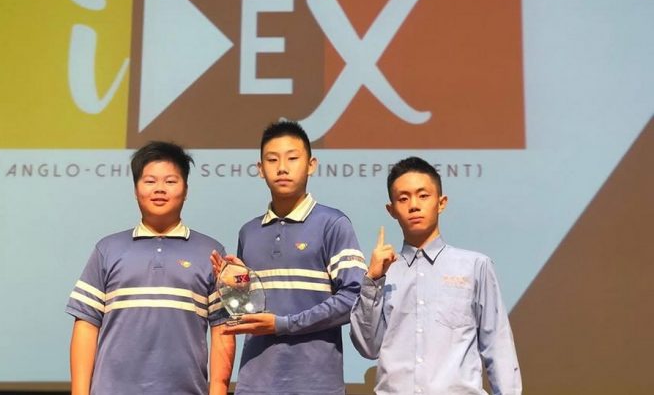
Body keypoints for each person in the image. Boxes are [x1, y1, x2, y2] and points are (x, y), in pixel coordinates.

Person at [65, 141, 235, 395]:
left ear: (186, 190)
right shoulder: (107, 249)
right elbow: (86, 325)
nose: (159, 189)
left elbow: (222, 329)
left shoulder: (210, 252)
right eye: (150, 181)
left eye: (170, 181)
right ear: (136, 189)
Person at [211, 120, 367, 394]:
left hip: (316, 385)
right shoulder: (249, 232)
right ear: (260, 169)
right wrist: (236, 289)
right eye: (272, 160)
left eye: (292, 158)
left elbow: (353, 298)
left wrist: (284, 325)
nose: (282, 168)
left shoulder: (333, 224)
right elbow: (249, 313)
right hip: (254, 384)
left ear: (311, 165)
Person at [350, 156, 522, 394]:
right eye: (403, 198)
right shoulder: (382, 274)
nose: (413, 205)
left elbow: (497, 346)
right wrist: (372, 281)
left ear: (441, 203)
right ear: (391, 210)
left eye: (423, 196)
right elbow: (368, 348)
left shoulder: (475, 266)